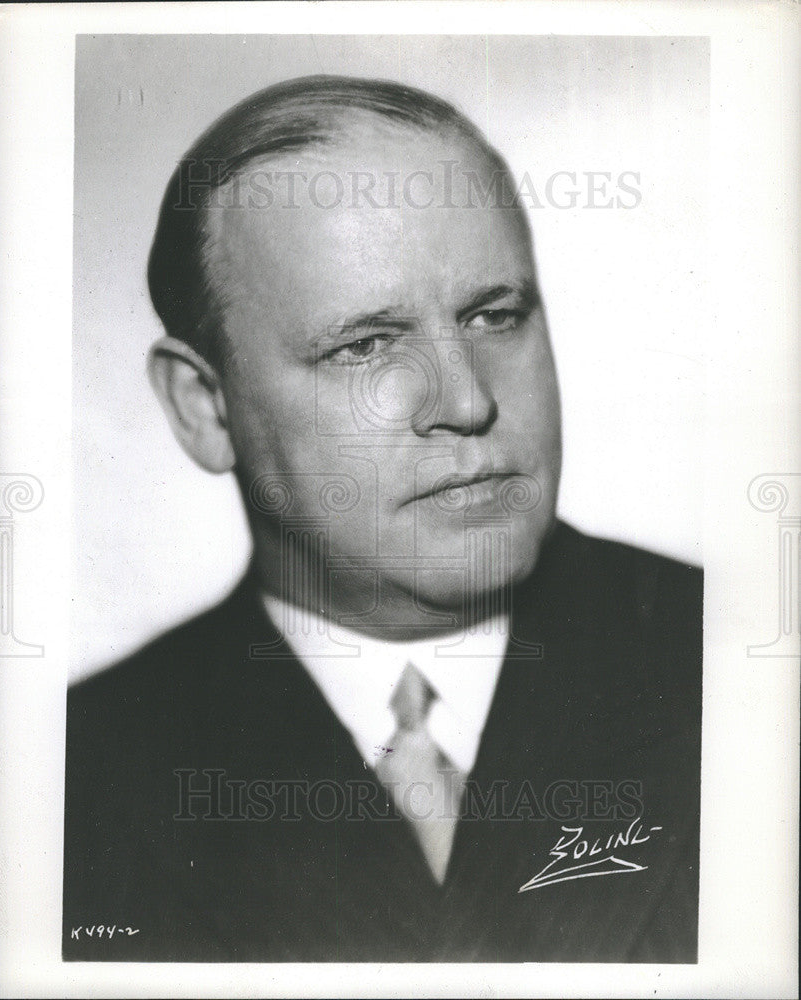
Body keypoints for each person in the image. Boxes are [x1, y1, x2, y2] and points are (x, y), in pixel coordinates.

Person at [63, 75, 702, 963]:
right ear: (205, 408)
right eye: (365, 346)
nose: (468, 401)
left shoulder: (736, 665)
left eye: (495, 314)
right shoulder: (70, 781)